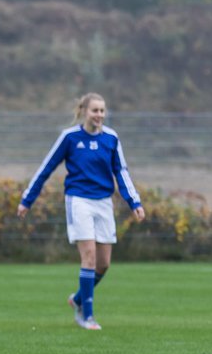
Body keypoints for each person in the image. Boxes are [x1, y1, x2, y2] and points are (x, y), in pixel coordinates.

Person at [17, 92, 145, 330]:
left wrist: (134, 202)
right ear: (84, 111)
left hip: (104, 202)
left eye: (102, 111)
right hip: (79, 201)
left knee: (104, 264)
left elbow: (121, 172)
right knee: (89, 257)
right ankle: (87, 315)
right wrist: (27, 199)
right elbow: (46, 169)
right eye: (95, 110)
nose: (99, 115)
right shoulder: (70, 137)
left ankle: (76, 298)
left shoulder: (111, 138)